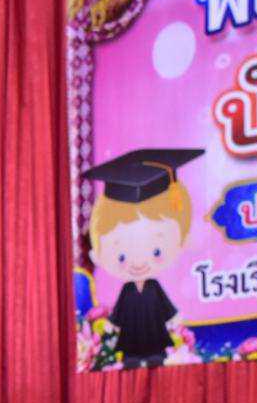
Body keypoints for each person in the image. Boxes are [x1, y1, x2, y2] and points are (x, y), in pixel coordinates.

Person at [84, 147, 202, 368]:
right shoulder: (127, 290)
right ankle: (133, 358)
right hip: (131, 338)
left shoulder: (154, 287)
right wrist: (111, 325)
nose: (138, 264)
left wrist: (175, 320)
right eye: (121, 256)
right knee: (130, 358)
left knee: (158, 356)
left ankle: (155, 356)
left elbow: (167, 307)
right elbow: (118, 313)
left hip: (155, 336)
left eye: (156, 252)